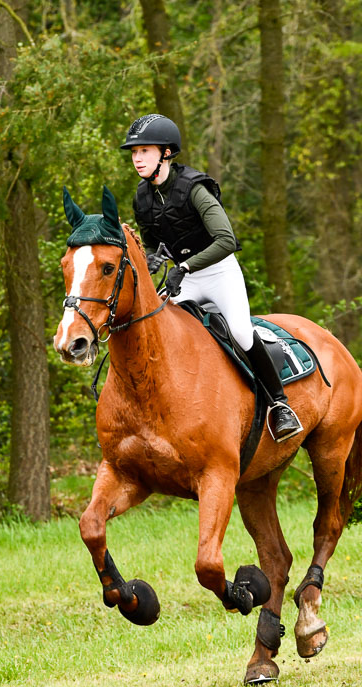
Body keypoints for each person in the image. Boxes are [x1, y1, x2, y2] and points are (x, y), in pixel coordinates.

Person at [120, 113, 302, 442]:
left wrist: (184, 267)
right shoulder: (142, 198)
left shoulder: (195, 189)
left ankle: (280, 405)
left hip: (219, 272)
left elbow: (226, 240)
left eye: (144, 151)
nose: (137, 158)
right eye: (134, 152)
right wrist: (154, 258)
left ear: (166, 153)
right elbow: (153, 243)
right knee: (158, 328)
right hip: (184, 277)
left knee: (240, 332)